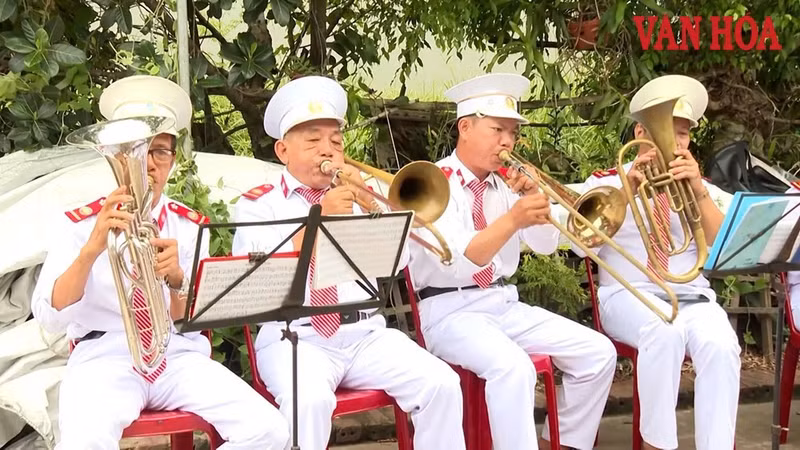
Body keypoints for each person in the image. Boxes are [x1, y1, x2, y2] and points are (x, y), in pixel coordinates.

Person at [31, 75, 290, 450]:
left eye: (161, 152)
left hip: (177, 357)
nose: (149, 165)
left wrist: (177, 280)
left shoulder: (189, 225)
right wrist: (92, 248)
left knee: (270, 430)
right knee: (83, 442)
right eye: (137, 151)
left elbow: (191, 322)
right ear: (115, 155)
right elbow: (49, 317)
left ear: (173, 160)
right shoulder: (80, 224)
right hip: (105, 358)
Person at [232, 75, 466, 450]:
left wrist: (370, 205)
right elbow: (258, 278)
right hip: (295, 337)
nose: (327, 151)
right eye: (313, 141)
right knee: (310, 403)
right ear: (282, 150)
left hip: (364, 334)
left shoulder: (356, 195)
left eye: (336, 142)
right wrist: (318, 221)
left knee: (441, 383)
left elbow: (397, 263)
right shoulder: (258, 204)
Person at [407, 73, 617, 450]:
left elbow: (544, 246)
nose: (507, 141)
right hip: (447, 310)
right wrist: (514, 218)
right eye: (497, 129)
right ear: (465, 128)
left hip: (502, 302)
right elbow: (465, 258)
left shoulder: (505, 184)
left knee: (598, 353)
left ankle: (562, 444)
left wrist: (537, 201)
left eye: (513, 133)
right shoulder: (433, 182)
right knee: (513, 367)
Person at [573, 74, 741, 450]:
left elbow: (724, 244)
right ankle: (657, 445)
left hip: (692, 296)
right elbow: (581, 245)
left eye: (683, 134)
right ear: (640, 133)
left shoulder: (700, 185)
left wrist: (698, 191)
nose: (676, 142)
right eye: (668, 131)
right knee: (664, 332)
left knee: (722, 346)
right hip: (628, 295)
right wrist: (627, 191)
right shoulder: (604, 184)